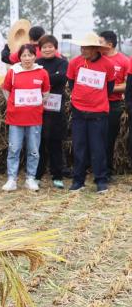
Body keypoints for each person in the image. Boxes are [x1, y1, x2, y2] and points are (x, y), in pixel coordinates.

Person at [67, 33, 117, 192]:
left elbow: (109, 87)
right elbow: (71, 83)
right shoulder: (75, 63)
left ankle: (101, 180)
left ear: (95, 49)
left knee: (98, 148)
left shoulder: (107, 64)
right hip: (79, 112)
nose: (83, 50)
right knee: (79, 147)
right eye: (81, 47)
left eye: (86, 48)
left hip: (98, 113)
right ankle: (78, 180)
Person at [0, 44, 50, 192]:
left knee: (34, 149)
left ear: (35, 56)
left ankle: (30, 178)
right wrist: (15, 103)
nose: (27, 58)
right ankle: (11, 179)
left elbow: (46, 92)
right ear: (19, 57)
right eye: (24, 55)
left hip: (34, 118)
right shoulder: (13, 72)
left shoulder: (42, 73)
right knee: (14, 148)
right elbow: (6, 89)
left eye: (30, 55)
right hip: (15, 118)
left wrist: (36, 103)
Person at [34, 35, 69, 188]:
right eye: (44, 47)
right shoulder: (36, 63)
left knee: (55, 144)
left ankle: (57, 176)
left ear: (56, 48)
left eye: (50, 46)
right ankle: (37, 175)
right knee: (38, 144)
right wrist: (50, 78)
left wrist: (41, 78)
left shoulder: (62, 63)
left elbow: (61, 78)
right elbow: (31, 79)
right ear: (39, 49)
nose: (47, 49)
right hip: (38, 109)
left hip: (56, 109)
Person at [99, 31, 128, 179]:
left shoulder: (124, 61)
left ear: (109, 44)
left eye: (101, 42)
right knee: (95, 138)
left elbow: (127, 84)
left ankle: (107, 172)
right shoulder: (97, 59)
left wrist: (108, 88)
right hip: (96, 104)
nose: (98, 45)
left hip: (113, 104)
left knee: (109, 139)